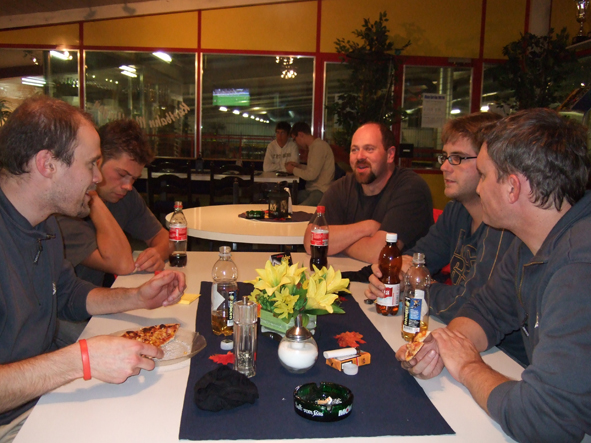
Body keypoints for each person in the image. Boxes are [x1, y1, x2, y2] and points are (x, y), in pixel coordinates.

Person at [399, 109, 591, 443]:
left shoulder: (579, 266)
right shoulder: (531, 241)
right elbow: (487, 310)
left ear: (512, 187)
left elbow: (545, 420)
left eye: (485, 176)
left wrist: (469, 367)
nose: (480, 187)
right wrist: (440, 346)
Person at [0, 96, 186, 440]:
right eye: (90, 165)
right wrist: (82, 360)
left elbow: (68, 293)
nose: (97, 177)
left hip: (43, 396)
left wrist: (137, 297)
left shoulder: (44, 222)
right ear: (47, 164)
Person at [364, 113, 526, 364]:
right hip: (463, 341)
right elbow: (416, 259)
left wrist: (415, 283)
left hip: (504, 358)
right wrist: (394, 274)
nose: (444, 167)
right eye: (445, 157)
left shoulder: (504, 227)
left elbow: (468, 303)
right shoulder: (457, 211)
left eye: (457, 158)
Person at [56, 119, 170, 288]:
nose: (128, 186)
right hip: (69, 304)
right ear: (97, 161)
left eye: (134, 179)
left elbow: (165, 238)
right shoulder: (65, 208)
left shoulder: (125, 197)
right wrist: (92, 195)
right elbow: (121, 263)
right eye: (121, 174)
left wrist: (157, 253)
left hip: (97, 297)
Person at [304, 122, 433, 263]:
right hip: (354, 273)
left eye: (369, 149)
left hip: (398, 277)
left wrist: (337, 245)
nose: (360, 157)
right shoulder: (342, 187)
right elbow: (310, 241)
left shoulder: (411, 189)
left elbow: (379, 253)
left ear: (390, 155)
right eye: (354, 150)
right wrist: (367, 227)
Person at [285, 121, 334, 206]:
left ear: (300, 134)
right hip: (314, 190)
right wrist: (299, 166)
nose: (296, 142)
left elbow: (311, 175)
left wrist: (293, 170)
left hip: (320, 191)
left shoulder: (318, 147)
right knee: (287, 198)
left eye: (294, 139)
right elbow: (314, 169)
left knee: (296, 209)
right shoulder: (315, 146)